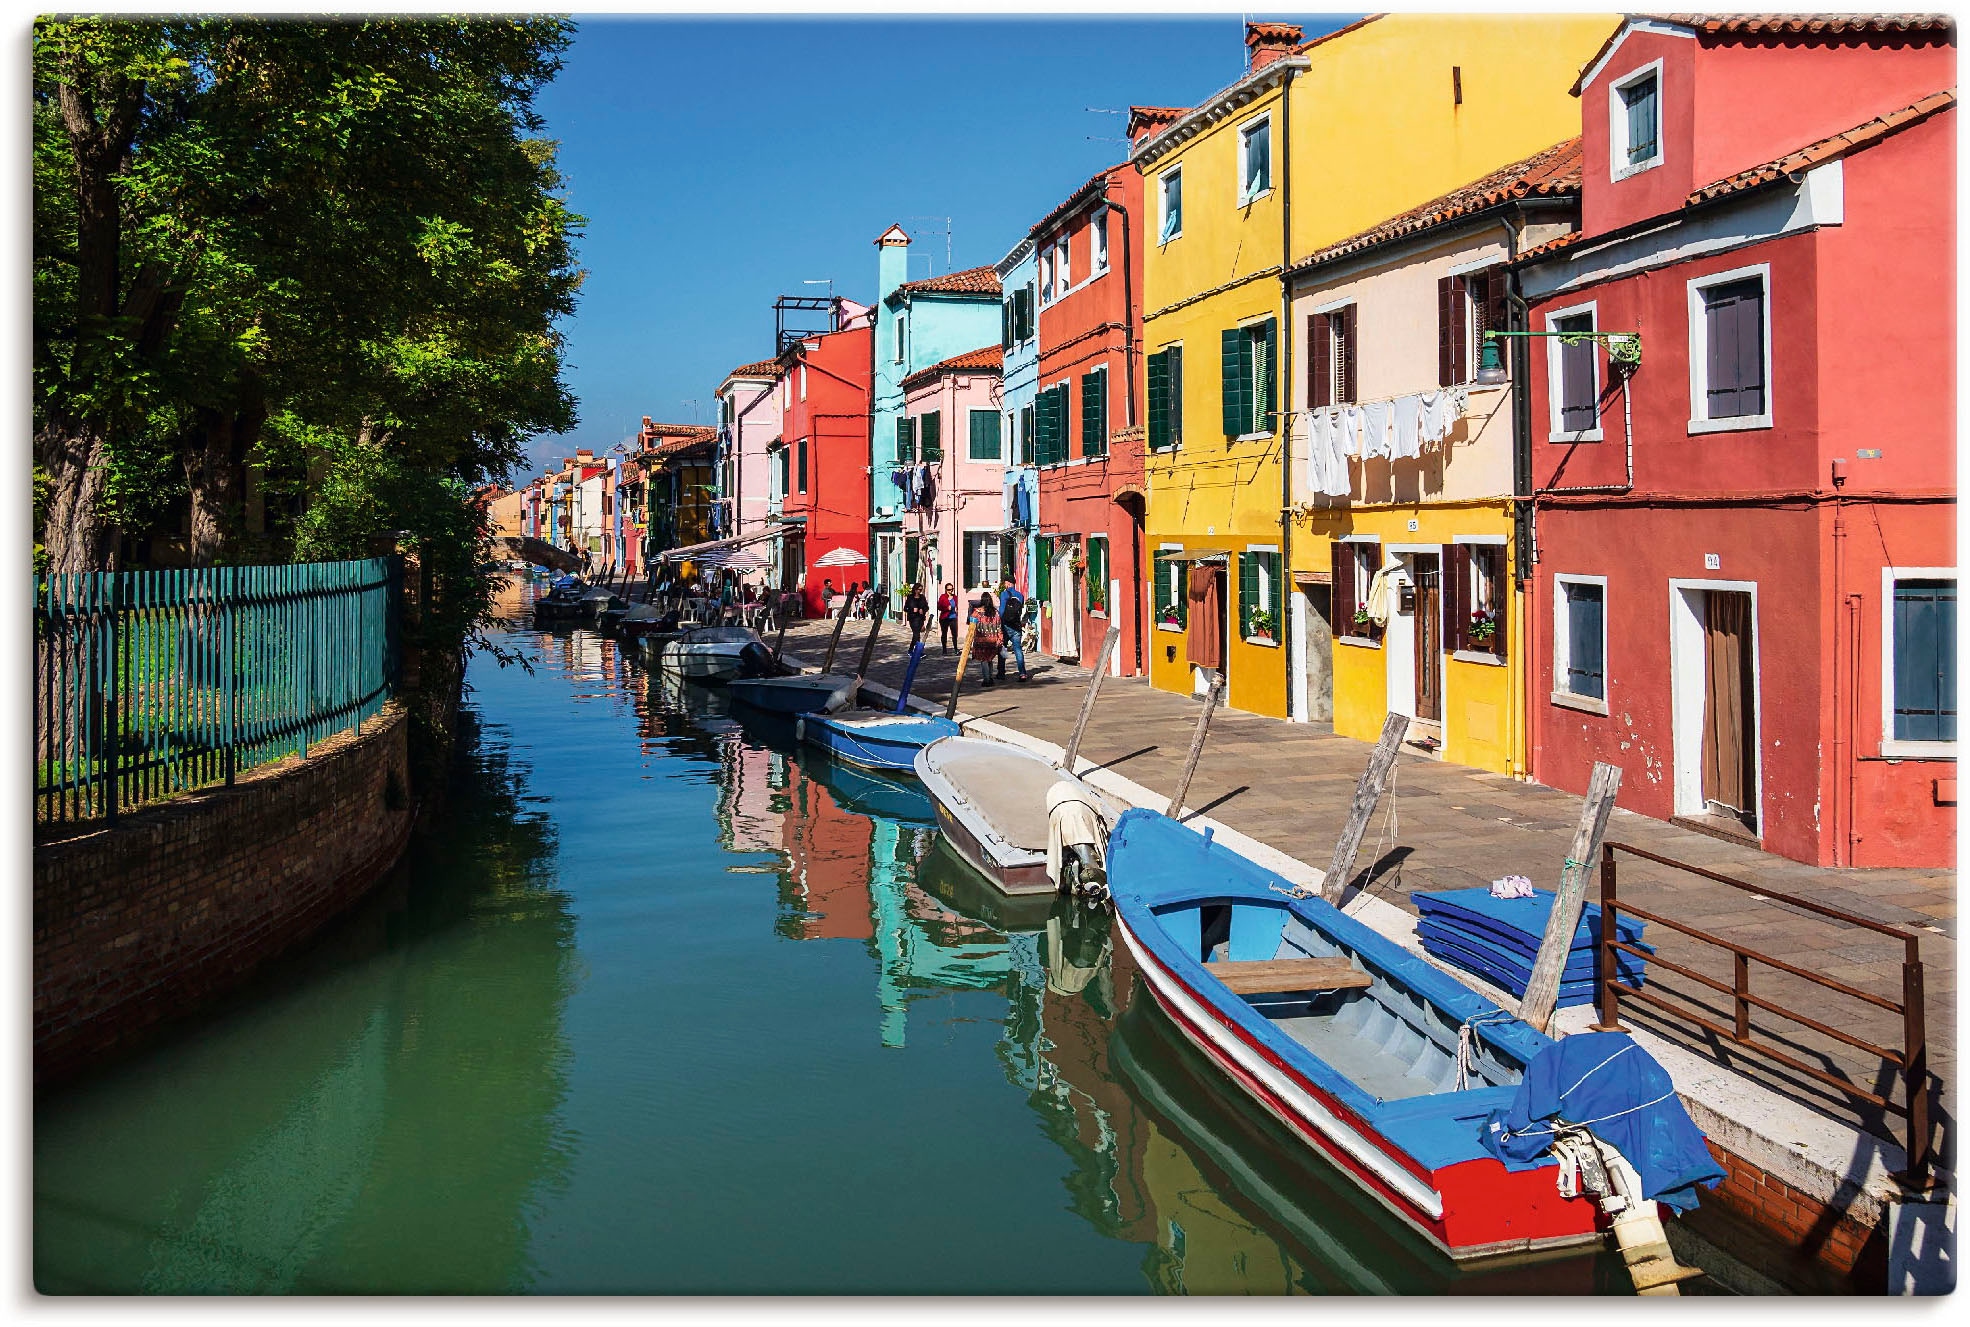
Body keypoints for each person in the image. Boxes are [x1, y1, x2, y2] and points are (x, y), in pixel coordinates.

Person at [996, 576, 1029, 683]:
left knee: (1002, 649)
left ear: (1008, 583)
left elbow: (1001, 611)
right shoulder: (1020, 595)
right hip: (1016, 626)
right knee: (1018, 650)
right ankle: (1022, 673)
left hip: (1005, 626)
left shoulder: (1004, 594)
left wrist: (999, 623)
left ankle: (1001, 673)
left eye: (1005, 583)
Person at [967, 593, 1003, 689]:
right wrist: (1000, 639)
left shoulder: (976, 613)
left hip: (981, 640)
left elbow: (971, 626)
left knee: (984, 660)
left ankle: (987, 679)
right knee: (989, 659)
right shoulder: (995, 613)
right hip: (993, 640)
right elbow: (999, 626)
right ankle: (990, 677)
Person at [936, 582, 959, 652]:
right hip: (944, 618)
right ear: (946, 590)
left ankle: (955, 648)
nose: (950, 591)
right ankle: (944, 649)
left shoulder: (955, 597)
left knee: (954, 633)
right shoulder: (943, 597)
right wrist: (946, 608)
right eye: (949, 590)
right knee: (944, 633)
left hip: (953, 617)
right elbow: (939, 607)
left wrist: (956, 609)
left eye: (952, 589)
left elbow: (957, 604)